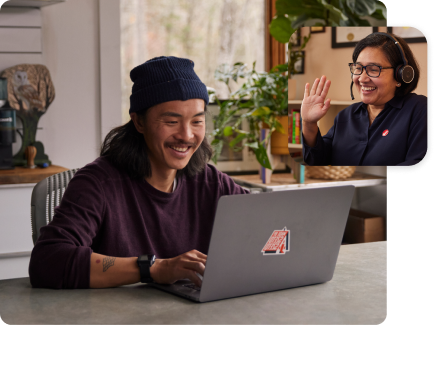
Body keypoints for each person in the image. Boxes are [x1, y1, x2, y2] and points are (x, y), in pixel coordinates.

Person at [29, 56, 248, 289]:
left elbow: (270, 224)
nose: (186, 135)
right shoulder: (98, 183)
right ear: (139, 122)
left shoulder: (211, 183)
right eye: (172, 121)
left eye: (197, 121)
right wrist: (154, 268)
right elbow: (48, 262)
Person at [301, 32, 428, 166]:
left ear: (401, 75)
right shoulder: (346, 116)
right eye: (358, 68)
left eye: (373, 69)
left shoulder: (420, 109)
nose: (362, 78)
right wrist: (309, 123)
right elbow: (318, 162)